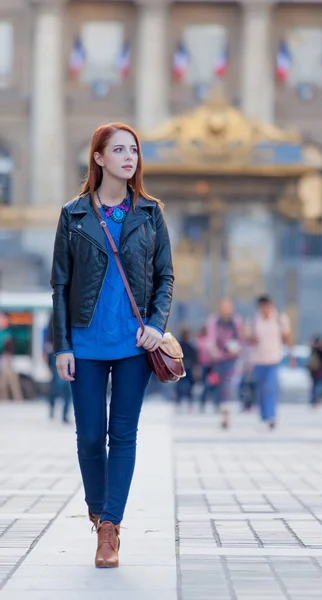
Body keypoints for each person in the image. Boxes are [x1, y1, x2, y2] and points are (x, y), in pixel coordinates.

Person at [50, 122, 174, 568]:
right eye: (118, 150)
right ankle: (97, 507)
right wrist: (62, 344)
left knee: (122, 434)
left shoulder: (150, 212)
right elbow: (60, 284)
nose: (129, 157)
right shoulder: (74, 214)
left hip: (134, 345)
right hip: (84, 342)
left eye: (134, 151)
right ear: (98, 158)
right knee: (88, 437)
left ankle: (109, 529)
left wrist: (157, 326)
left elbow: (165, 278)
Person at [248, 296, 294, 429]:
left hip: (274, 359)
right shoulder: (254, 320)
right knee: (261, 389)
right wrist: (252, 339)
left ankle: (271, 416)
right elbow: (247, 337)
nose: (264, 309)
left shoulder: (280, 319)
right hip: (259, 359)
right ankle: (264, 415)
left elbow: (287, 337)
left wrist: (291, 355)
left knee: (271, 388)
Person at [206, 299, 243, 429]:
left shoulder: (236, 321)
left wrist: (236, 349)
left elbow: (240, 339)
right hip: (217, 359)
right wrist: (213, 351)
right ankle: (221, 407)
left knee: (227, 385)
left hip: (231, 359)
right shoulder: (214, 321)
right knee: (217, 386)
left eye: (228, 307)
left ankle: (225, 411)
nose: (226, 310)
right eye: (223, 307)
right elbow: (210, 339)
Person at [43, 312, 72, 423]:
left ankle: (65, 415)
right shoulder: (56, 312)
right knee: (58, 383)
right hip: (57, 351)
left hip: (72, 352)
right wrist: (46, 350)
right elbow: (50, 331)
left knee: (68, 385)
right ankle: (51, 406)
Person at [175, 326, 197, 410]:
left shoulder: (189, 344)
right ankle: (179, 401)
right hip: (181, 367)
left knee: (189, 385)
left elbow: (194, 356)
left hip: (188, 367)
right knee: (180, 385)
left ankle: (188, 402)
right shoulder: (180, 344)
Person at [0, 337, 23, 401]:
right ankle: (4, 399)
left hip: (8, 370)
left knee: (13, 386)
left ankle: (17, 399)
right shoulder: (6, 353)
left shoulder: (8, 352)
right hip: (6, 370)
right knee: (4, 386)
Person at [307, 336, 322, 407]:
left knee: (315, 387)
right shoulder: (318, 350)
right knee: (317, 387)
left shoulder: (314, 349)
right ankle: (315, 400)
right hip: (317, 371)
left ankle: (314, 400)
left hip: (316, 371)